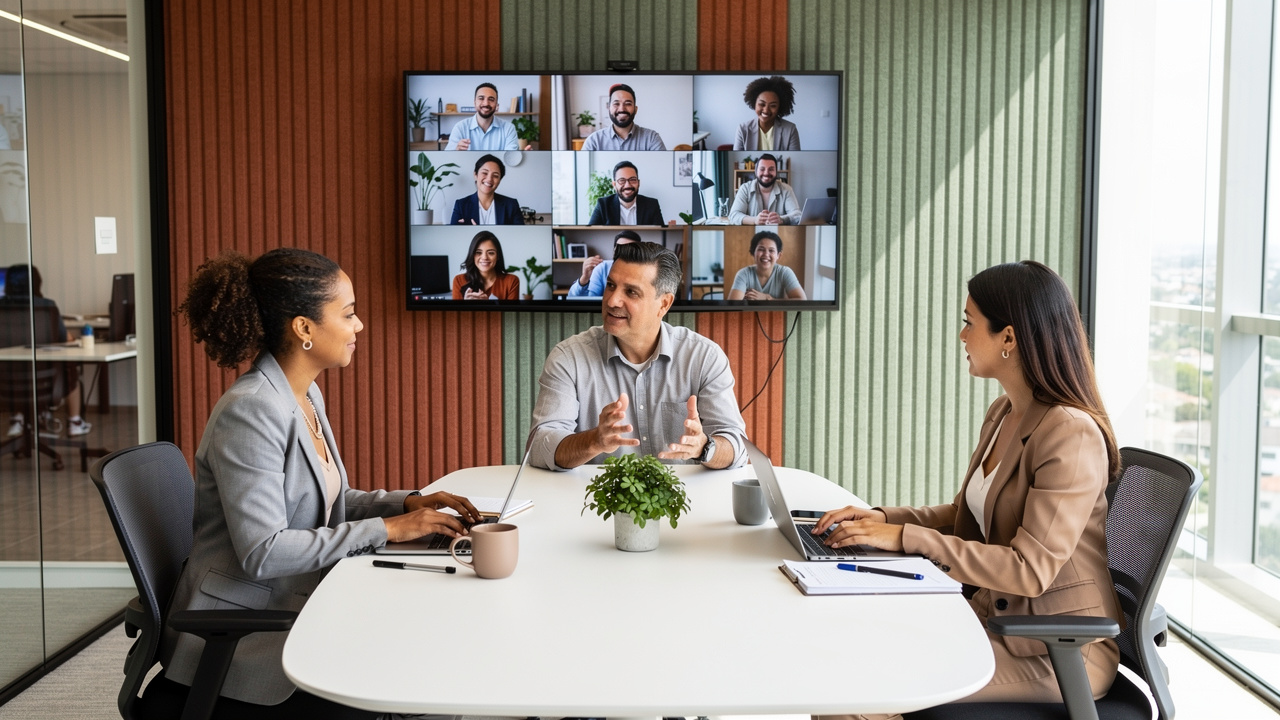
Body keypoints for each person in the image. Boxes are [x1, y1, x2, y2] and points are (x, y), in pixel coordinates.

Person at [166, 248, 481, 716]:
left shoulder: (303, 393)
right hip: (250, 637)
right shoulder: (251, 410)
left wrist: (409, 504)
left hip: (305, 602)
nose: (359, 326)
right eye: (348, 314)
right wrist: (389, 531)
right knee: (410, 678)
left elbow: (322, 500)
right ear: (304, 328)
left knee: (429, 648)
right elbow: (264, 551)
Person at [812, 261, 1123, 717]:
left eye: (968, 322)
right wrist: (883, 519)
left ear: (1009, 339)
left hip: (1056, 650)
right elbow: (966, 515)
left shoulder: (1069, 434)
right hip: (993, 618)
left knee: (859, 684)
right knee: (840, 649)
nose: (961, 335)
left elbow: (1029, 570)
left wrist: (906, 539)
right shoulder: (1005, 412)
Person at [529, 242, 748, 471]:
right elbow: (539, 448)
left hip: (683, 502)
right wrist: (594, 441)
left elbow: (737, 448)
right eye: (610, 286)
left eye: (631, 292)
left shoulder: (703, 357)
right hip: (596, 503)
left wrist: (704, 447)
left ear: (664, 304)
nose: (612, 300)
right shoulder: (569, 358)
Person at [2, 264, 91, 438]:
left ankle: (18, 418)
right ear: (36, 282)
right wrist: (71, 337)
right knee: (69, 368)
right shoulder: (47, 306)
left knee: (16, 369)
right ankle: (74, 422)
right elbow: (62, 338)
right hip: (45, 383)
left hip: (6, 385)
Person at [580, 84, 667, 151]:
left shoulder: (651, 138)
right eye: (616, 103)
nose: (622, 109)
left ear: (635, 109)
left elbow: (662, 168)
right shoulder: (594, 141)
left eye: (628, 104)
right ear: (609, 108)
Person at [727, 231, 805, 301]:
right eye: (761, 249)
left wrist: (768, 298)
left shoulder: (785, 272)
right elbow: (733, 304)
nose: (766, 254)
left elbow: (802, 300)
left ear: (779, 255)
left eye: (771, 250)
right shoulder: (743, 273)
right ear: (753, 252)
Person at [449, 154, 525, 225]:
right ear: (475, 175)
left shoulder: (511, 205)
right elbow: (453, 234)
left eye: (495, 176)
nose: (489, 179)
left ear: (499, 180)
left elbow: (520, 234)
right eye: (485, 173)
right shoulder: (461, 205)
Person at [444, 81, 520, 151]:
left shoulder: (509, 129)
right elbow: (448, 158)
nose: (486, 103)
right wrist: (456, 150)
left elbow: (511, 158)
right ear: (475, 103)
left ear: (497, 105)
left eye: (491, 99)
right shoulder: (460, 127)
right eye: (481, 98)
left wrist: (525, 155)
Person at [728, 154, 801, 226]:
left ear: (776, 172)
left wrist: (782, 219)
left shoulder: (787, 189)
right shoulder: (745, 188)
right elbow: (733, 215)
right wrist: (755, 220)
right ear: (756, 171)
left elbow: (797, 215)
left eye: (771, 169)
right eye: (762, 169)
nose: (766, 173)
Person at [587, 161, 666, 226]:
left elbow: (660, 234)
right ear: (614, 185)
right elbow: (591, 234)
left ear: (638, 183)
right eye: (622, 180)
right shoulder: (603, 205)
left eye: (632, 180)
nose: (627, 185)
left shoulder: (652, 205)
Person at [567, 229, 640, 299]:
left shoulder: (645, 271)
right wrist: (584, 278)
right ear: (614, 252)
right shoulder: (602, 268)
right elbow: (577, 299)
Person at [734, 75, 801, 151]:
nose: (766, 110)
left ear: (780, 107)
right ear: (754, 104)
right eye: (762, 104)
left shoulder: (790, 129)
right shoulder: (742, 130)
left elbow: (793, 159)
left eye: (773, 106)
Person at [451, 230, 520, 300]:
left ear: (498, 256)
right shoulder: (459, 280)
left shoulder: (511, 281)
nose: (484, 257)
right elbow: (456, 311)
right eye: (478, 252)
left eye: (491, 253)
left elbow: (511, 311)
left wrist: (488, 305)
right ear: (472, 255)